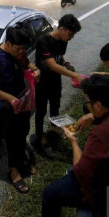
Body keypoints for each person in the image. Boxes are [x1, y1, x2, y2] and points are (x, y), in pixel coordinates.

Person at [41, 75, 109, 217]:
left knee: (50, 193)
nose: (87, 106)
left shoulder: (100, 135)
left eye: (87, 103)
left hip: (105, 196)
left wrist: (73, 142)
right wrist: (94, 116)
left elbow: (80, 172)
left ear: (97, 105)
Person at [0, 24, 40, 194]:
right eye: (19, 49)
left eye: (24, 49)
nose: (22, 52)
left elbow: (26, 62)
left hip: (21, 102)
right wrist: (10, 99)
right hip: (3, 107)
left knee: (23, 132)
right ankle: (14, 172)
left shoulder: (18, 54)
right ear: (8, 44)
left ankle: (21, 161)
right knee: (11, 139)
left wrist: (36, 70)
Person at [32, 14, 83, 151]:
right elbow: (52, 65)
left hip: (55, 81)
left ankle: (54, 134)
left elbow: (58, 58)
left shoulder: (63, 40)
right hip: (42, 82)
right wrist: (75, 75)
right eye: (71, 34)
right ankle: (39, 137)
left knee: (55, 109)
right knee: (41, 112)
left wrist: (66, 64)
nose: (71, 38)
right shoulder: (44, 41)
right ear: (62, 29)